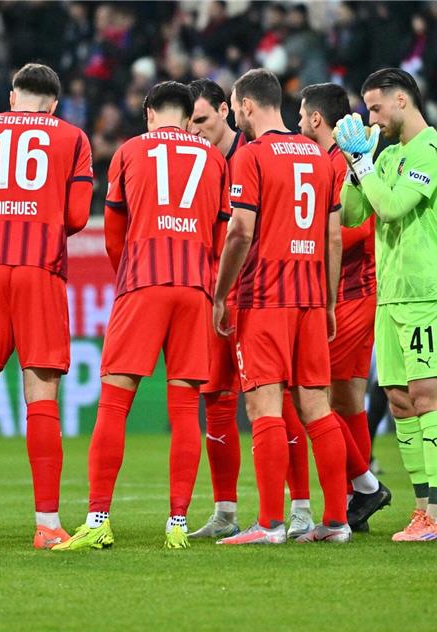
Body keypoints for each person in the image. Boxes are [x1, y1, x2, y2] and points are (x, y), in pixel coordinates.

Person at [53, 81, 229, 551]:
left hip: (143, 283)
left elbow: (113, 233)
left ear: (150, 111)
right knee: (184, 409)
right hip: (194, 288)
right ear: (190, 113)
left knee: (114, 404)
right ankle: (176, 525)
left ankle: (97, 520)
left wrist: (130, 275)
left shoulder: (130, 151)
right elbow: (222, 233)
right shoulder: (213, 157)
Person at [0, 63, 93, 551]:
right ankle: (47, 524)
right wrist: (41, 224)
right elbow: (76, 216)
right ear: (53, 103)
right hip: (41, 271)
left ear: (13, 97)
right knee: (41, 399)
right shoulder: (73, 138)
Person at [215, 69, 350, 545]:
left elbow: (240, 232)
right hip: (312, 299)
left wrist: (220, 293)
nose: (233, 114)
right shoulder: (319, 155)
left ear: (248, 106)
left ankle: (270, 522)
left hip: (265, 296)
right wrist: (331, 301)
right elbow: (333, 234)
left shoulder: (250, 157)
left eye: (233, 106)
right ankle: (336, 522)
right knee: (317, 407)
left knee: (264, 406)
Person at [336, 67, 437, 542]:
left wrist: (365, 165)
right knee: (401, 402)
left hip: (426, 291)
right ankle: (421, 510)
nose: (371, 117)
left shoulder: (433, 149)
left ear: (401, 100)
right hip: (391, 296)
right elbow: (352, 214)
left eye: (375, 107)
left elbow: (391, 208)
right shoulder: (385, 156)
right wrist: (354, 162)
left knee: (428, 396)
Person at [298, 82, 391, 534]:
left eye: (301, 116)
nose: (298, 124)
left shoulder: (341, 163)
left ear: (317, 119)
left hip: (352, 293)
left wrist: (302, 242)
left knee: (308, 394)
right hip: (353, 292)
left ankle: (365, 487)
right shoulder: (333, 162)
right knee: (348, 398)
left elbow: (357, 229)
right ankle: (359, 499)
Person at [184, 77, 248, 540]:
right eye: (188, 123)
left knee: (285, 401)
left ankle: (307, 510)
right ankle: (226, 512)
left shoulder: (251, 153)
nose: (195, 131)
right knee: (217, 400)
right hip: (214, 294)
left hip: (262, 293)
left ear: (226, 111)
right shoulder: (192, 164)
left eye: (202, 120)